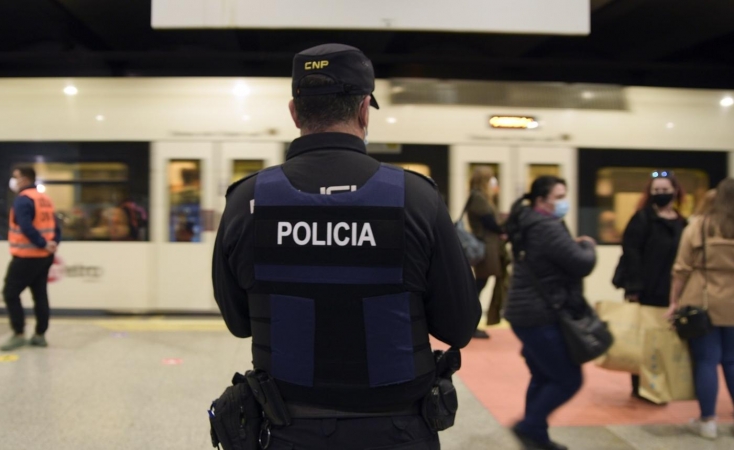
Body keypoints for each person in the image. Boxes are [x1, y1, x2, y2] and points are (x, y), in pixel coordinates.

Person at [212, 43, 481, 450]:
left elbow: (239, 322)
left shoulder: (247, 200)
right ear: (362, 111)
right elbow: (459, 325)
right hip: (398, 430)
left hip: (286, 428)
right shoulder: (416, 197)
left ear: (294, 112)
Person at [504, 176, 596, 450]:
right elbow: (581, 263)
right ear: (541, 201)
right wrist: (588, 245)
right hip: (539, 315)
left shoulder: (529, 222)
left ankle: (537, 438)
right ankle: (529, 427)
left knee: (543, 375)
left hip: (525, 312)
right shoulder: (546, 227)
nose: (563, 202)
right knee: (569, 378)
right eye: (558, 197)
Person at [669, 178, 734, 440]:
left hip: (702, 300)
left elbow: (681, 268)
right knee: (731, 360)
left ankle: (708, 420)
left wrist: (674, 301)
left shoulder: (699, 227)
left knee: (706, 360)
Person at [619, 172, 687, 398]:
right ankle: (640, 387)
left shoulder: (682, 222)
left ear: (675, 191)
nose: (661, 194)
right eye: (656, 191)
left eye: (664, 189)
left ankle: (662, 384)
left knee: (665, 341)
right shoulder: (641, 219)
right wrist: (634, 288)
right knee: (644, 340)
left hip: (672, 292)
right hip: (645, 289)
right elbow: (631, 253)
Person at [0, 167, 60, 351]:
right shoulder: (44, 199)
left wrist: (41, 243)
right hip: (45, 257)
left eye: (15, 177)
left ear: (25, 180)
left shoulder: (23, 200)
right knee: (40, 294)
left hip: (26, 257)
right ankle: (40, 335)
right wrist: (52, 243)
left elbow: (26, 226)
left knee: (10, 293)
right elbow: (56, 227)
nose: (13, 181)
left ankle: (18, 333)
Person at [466, 166, 506, 339]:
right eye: (491, 178)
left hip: (490, 246)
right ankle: (470, 324)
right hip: (486, 247)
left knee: (479, 286)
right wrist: (504, 227)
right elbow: (490, 222)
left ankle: (470, 323)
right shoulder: (479, 198)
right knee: (478, 287)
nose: (494, 182)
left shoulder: (481, 198)